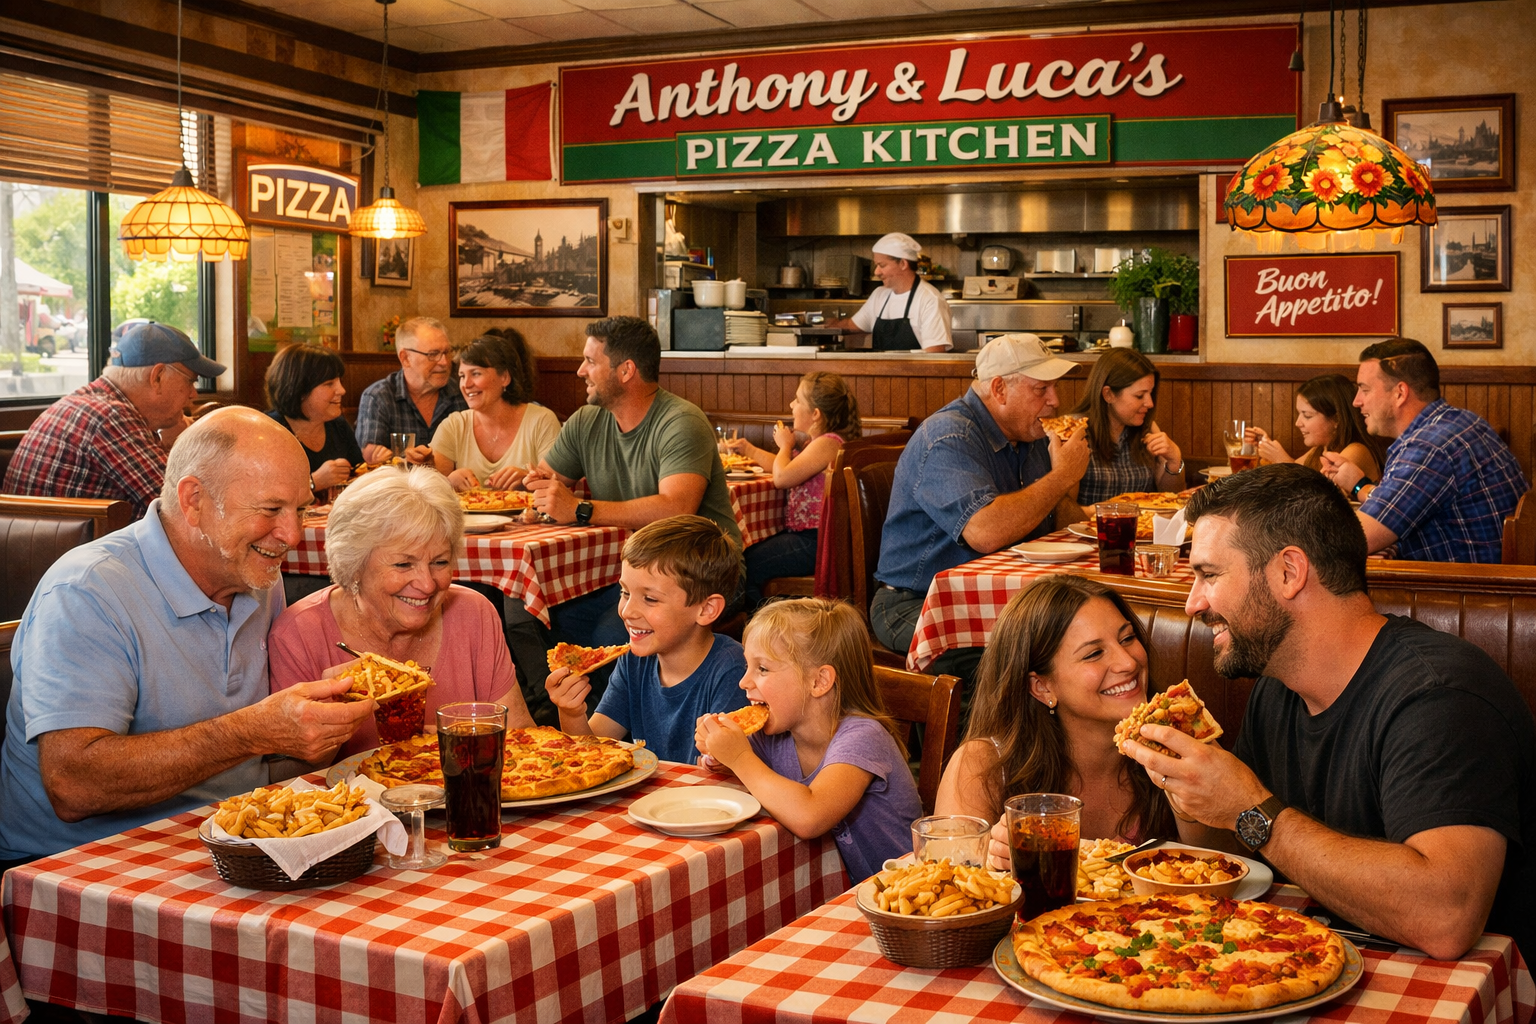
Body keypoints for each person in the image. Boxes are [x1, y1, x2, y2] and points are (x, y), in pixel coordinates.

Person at [1121, 463, 1536, 962]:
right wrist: (1185, 787)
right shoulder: (1278, 686)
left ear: (1288, 573)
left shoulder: (1439, 696)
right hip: (1304, 962)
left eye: (1209, 575)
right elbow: (1236, 850)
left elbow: (1447, 918)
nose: (1193, 604)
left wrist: (1250, 810)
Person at [0, 407, 375, 863]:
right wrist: (252, 733)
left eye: (301, 508)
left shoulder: (257, 575)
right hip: (77, 866)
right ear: (194, 500)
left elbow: (259, 766)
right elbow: (73, 786)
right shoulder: (87, 591)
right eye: (271, 509)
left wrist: (321, 725)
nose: (292, 534)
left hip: (224, 845)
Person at [267, 466, 535, 760]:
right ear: (354, 565)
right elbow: (286, 781)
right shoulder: (297, 635)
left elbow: (521, 744)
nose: (427, 584)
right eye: (403, 565)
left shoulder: (474, 614)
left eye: (440, 562)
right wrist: (326, 730)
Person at [870, 333, 1088, 674]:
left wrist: (1066, 484)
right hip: (916, 603)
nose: (1055, 401)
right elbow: (985, 532)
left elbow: (1063, 524)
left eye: (1054, 387)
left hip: (1003, 599)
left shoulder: (1028, 436)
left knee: (1081, 644)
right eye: (1041, 389)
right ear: (999, 389)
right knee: (1007, 667)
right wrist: (1060, 477)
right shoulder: (948, 436)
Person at [934, 576, 1183, 869]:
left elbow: (1222, 872)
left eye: (1127, 638)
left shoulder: (1177, 747)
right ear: (1042, 687)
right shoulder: (982, 767)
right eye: (1094, 654)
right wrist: (988, 863)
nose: (1128, 662)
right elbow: (946, 887)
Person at [526, 316, 744, 648]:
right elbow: (546, 479)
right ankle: (582, 701)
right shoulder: (586, 421)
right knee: (549, 618)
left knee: (611, 634)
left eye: (590, 362)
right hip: (631, 574)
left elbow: (676, 507)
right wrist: (535, 490)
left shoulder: (681, 421)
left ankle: (621, 700)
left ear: (626, 371)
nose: (580, 372)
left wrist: (580, 509)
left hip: (704, 571)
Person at [695, 598, 923, 883]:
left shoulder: (863, 737)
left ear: (819, 681)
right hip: (830, 893)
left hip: (905, 893)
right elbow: (744, 777)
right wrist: (717, 757)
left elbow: (810, 815)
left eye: (762, 669)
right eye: (747, 666)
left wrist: (739, 758)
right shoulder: (772, 737)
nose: (744, 682)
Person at [545, 515, 747, 765]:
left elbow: (728, 774)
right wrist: (571, 712)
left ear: (706, 609)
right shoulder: (633, 661)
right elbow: (590, 755)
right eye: (625, 592)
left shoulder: (733, 670)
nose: (627, 611)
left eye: (650, 599)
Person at [1322, 337, 1525, 562]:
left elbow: (1352, 539)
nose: (1356, 402)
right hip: (1493, 581)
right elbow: (1405, 505)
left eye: (1364, 390)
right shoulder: (1463, 421)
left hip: (1467, 589)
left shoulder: (1429, 447)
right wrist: (1359, 485)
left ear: (1400, 393)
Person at [3, 321, 220, 519]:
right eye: (191, 381)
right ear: (158, 377)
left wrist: (174, 443)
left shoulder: (92, 403)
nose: (193, 394)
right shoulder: (111, 419)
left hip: (39, 554)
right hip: (57, 559)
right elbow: (187, 510)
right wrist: (185, 448)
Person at [726, 371, 860, 607]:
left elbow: (781, 477)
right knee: (750, 557)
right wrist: (749, 449)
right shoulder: (818, 443)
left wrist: (785, 445)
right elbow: (787, 468)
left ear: (815, 414)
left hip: (816, 541)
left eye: (798, 400)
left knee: (746, 564)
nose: (791, 405)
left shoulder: (828, 443)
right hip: (811, 537)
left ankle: (762, 624)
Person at [430, 332, 560, 492]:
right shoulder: (454, 425)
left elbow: (555, 488)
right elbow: (430, 491)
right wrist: (449, 482)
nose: (466, 384)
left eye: (476, 373)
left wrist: (527, 479)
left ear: (505, 377)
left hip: (526, 516)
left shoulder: (542, 421)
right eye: (462, 376)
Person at [1071, 348, 1186, 505]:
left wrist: (1174, 460)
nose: (1150, 403)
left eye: (1151, 394)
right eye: (1140, 396)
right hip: (1091, 528)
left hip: (1142, 528)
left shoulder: (1148, 428)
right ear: (1108, 394)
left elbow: (1171, 498)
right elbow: (1064, 513)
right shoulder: (1075, 431)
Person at [354, 316, 467, 466]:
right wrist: (390, 458)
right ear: (405, 358)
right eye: (433, 354)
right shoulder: (378, 397)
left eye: (447, 352)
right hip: (400, 487)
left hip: (454, 487)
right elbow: (371, 457)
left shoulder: (462, 394)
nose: (444, 362)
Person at [264, 343, 366, 495]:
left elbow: (359, 470)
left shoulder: (338, 425)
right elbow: (263, 495)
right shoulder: (269, 431)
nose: (342, 390)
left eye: (339, 381)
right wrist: (314, 482)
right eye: (329, 384)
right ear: (298, 390)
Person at [1245, 373, 1383, 481]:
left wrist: (1282, 460)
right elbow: (1298, 471)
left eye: (1307, 415)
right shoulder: (1319, 450)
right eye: (1299, 414)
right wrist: (1265, 447)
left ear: (1337, 419)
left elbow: (1316, 494)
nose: (1298, 423)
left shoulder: (1356, 450)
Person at [828, 232, 952, 352]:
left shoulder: (929, 299)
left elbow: (934, 355)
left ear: (903, 263)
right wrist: (827, 324)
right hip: (881, 371)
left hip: (913, 372)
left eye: (882, 265)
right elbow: (852, 326)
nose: (876, 272)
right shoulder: (879, 295)